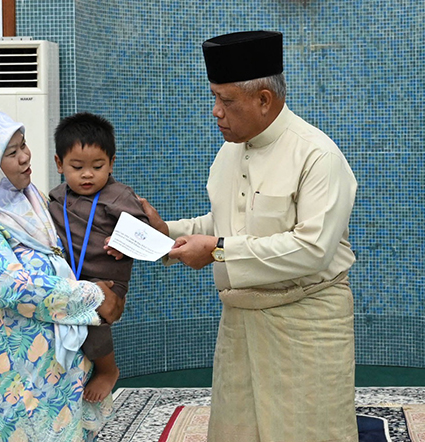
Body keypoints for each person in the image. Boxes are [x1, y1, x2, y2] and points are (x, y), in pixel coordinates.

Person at [140, 31, 359, 442]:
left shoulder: (318, 156)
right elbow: (225, 225)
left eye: (226, 100)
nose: (216, 112)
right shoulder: (229, 151)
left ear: (263, 99)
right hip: (240, 322)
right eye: (214, 97)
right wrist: (166, 233)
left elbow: (312, 249)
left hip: (306, 326)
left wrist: (218, 252)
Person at [0, 108, 125, 442]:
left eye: (24, 145)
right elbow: (7, 286)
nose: (25, 157)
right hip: (20, 380)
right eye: (11, 152)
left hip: (62, 370)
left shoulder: (24, 199)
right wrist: (94, 297)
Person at [48, 112, 149, 403]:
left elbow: (143, 230)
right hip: (71, 276)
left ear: (111, 163)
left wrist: (123, 242)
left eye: (97, 166)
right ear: (59, 164)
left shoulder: (118, 196)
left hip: (107, 277)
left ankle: (108, 370)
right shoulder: (57, 199)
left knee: (94, 320)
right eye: (77, 167)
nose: (87, 174)